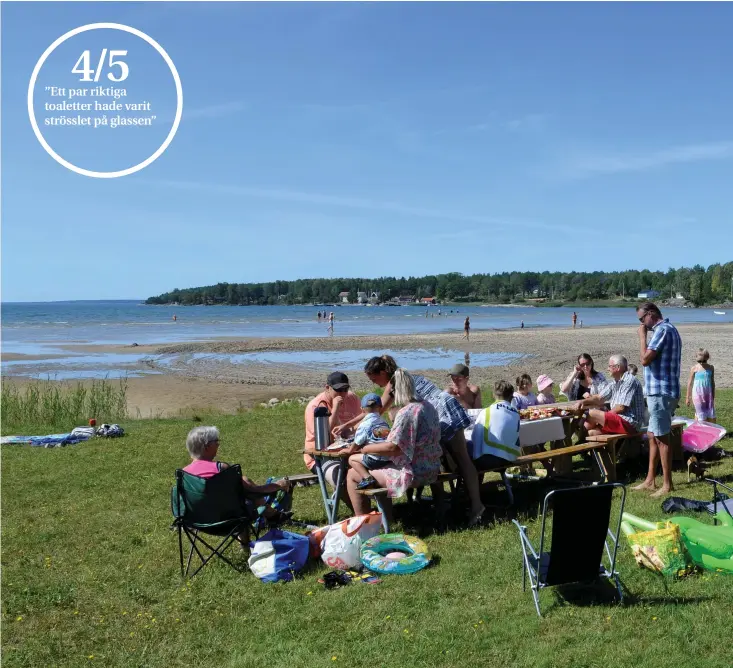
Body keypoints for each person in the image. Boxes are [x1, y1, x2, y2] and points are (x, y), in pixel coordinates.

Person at [349, 355, 485, 524]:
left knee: (457, 459)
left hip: (441, 411)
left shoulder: (396, 381)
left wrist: (353, 428)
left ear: (384, 372)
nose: (374, 383)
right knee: (437, 455)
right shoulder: (407, 376)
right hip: (443, 407)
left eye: (374, 378)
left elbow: (375, 411)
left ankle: (472, 507)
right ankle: (448, 505)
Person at [345, 369, 443, 514]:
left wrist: (365, 448)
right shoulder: (428, 407)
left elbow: (393, 447)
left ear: (396, 391)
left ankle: (363, 522)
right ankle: (387, 517)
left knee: (352, 475)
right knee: (379, 469)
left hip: (414, 472)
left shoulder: (407, 412)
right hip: (432, 467)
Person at [183, 426, 293, 525]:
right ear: (207, 447)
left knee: (243, 482)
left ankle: (271, 515)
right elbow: (252, 491)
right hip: (227, 519)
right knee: (242, 498)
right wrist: (278, 485)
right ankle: (270, 516)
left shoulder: (184, 473)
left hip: (196, 520)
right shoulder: (221, 469)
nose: (218, 444)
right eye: (216, 442)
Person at [634, 301, 682, 496]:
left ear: (651, 313)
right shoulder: (669, 329)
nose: (642, 323)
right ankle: (650, 480)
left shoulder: (662, 330)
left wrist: (642, 337)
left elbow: (645, 359)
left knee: (662, 438)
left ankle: (667, 484)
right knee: (654, 436)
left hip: (661, 391)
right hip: (659, 391)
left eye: (642, 319)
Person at [303, 372, 361, 488]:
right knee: (342, 479)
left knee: (371, 468)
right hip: (320, 457)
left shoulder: (352, 398)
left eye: (345, 389)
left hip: (349, 451)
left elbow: (361, 421)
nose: (343, 394)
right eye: (339, 390)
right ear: (327, 388)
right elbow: (322, 434)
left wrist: (350, 430)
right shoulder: (315, 407)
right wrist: (335, 409)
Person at [580, 355, 645, 436]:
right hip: (619, 421)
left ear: (618, 367)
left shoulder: (629, 380)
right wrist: (583, 402)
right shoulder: (615, 382)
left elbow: (620, 407)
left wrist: (604, 418)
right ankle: (582, 439)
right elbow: (599, 398)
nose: (608, 369)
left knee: (592, 413)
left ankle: (580, 435)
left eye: (610, 366)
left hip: (629, 423)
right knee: (592, 433)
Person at [470, 381, 521, 470]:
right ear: (511, 397)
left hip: (490, 459)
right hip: (511, 458)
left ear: (493, 395)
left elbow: (475, 436)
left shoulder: (486, 412)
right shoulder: (516, 413)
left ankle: (474, 482)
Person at [348, 393, 393, 489]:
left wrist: (348, 450)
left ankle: (367, 478)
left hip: (374, 460)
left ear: (362, 409)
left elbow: (357, 442)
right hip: (386, 458)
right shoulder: (384, 422)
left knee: (351, 459)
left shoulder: (364, 424)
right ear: (380, 407)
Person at [686, 348, 715, 423]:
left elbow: (712, 382)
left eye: (704, 361)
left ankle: (705, 429)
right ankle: (701, 429)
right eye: (699, 361)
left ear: (707, 358)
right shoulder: (694, 368)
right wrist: (687, 397)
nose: (701, 363)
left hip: (708, 395)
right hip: (697, 395)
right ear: (696, 358)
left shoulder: (711, 368)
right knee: (700, 413)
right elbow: (689, 383)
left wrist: (713, 394)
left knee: (709, 413)